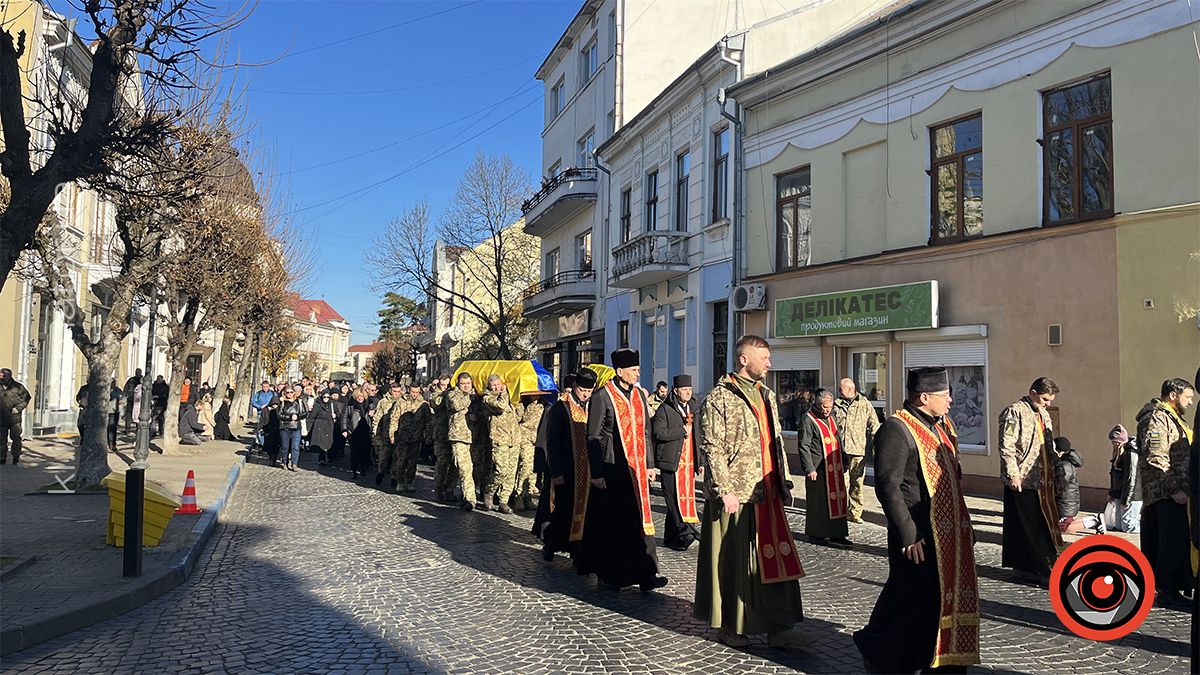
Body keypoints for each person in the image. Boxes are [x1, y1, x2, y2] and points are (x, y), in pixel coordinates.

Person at [854, 367, 979, 672]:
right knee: (911, 600)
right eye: (944, 394)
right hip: (918, 534)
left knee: (924, 601)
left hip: (946, 534)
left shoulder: (941, 427)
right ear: (924, 397)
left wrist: (966, 527)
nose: (950, 400)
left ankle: (926, 657)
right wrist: (908, 534)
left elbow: (951, 481)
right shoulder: (896, 429)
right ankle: (882, 654)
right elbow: (888, 486)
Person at [694, 335, 805, 649]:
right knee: (736, 564)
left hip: (766, 491)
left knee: (775, 563)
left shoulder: (767, 395)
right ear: (744, 359)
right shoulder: (720, 397)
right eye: (764, 357)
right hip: (736, 495)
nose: (770, 363)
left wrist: (783, 482)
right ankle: (733, 626)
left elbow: (775, 442)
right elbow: (712, 448)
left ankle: (778, 625)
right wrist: (723, 489)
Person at [577, 348, 667, 592]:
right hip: (612, 469)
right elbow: (593, 436)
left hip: (638, 470)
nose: (638, 373)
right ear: (620, 371)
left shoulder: (639, 395)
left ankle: (647, 573)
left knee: (642, 523)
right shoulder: (602, 396)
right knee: (616, 525)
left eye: (638, 369)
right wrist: (597, 473)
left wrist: (650, 465)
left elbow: (646, 432)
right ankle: (612, 574)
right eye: (634, 370)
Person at [999, 377, 1063, 583]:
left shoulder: (1044, 415)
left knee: (1044, 524)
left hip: (1044, 480)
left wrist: (1058, 472)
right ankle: (1038, 568)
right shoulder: (1014, 412)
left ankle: (1035, 565)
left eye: (1050, 400)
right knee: (1029, 525)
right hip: (1023, 478)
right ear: (1033, 393)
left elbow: (1050, 447)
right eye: (1045, 399)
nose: (1047, 403)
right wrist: (1012, 473)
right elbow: (1006, 445)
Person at [1137, 377, 1195, 608]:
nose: (1190, 403)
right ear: (1173, 395)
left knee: (1177, 542)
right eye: (1188, 397)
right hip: (1165, 494)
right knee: (1170, 544)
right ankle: (1167, 591)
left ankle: (1172, 588)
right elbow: (1156, 457)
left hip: (1177, 492)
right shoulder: (1156, 418)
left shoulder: (1173, 418)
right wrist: (1174, 489)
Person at [537, 369, 596, 561]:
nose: (586, 395)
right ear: (575, 388)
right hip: (567, 469)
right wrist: (556, 471)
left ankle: (578, 551)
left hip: (587, 471)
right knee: (564, 513)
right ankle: (551, 544)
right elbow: (553, 441)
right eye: (582, 390)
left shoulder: (593, 407)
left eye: (589, 391)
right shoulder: (560, 408)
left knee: (586, 514)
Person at [652, 374, 702, 551]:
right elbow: (658, 433)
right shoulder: (664, 409)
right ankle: (685, 531)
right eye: (684, 390)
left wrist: (700, 461)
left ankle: (671, 538)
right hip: (670, 462)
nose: (688, 393)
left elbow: (697, 436)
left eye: (690, 389)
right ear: (676, 391)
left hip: (687, 464)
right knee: (672, 500)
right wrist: (681, 431)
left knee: (683, 500)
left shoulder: (693, 408)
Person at [799, 389, 851, 547]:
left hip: (835, 466)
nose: (826, 410)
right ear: (817, 404)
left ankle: (838, 533)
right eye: (823, 407)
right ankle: (817, 533)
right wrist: (809, 468)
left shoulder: (833, 416)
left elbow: (838, 439)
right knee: (819, 504)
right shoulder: (808, 420)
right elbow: (804, 445)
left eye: (829, 407)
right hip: (818, 469)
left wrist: (845, 460)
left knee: (839, 500)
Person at [833, 378, 881, 524]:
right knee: (841, 483)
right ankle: (840, 511)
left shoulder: (864, 403)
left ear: (849, 389)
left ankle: (855, 513)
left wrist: (877, 445)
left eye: (841, 389)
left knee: (857, 483)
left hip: (858, 451)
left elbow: (874, 424)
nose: (839, 391)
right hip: (840, 451)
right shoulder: (836, 404)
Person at [482, 374, 522, 513]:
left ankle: (503, 501)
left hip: (514, 439)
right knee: (501, 470)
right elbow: (501, 407)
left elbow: (518, 416)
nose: (497, 387)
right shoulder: (488, 398)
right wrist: (504, 392)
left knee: (511, 472)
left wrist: (517, 403)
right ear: (489, 386)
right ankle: (489, 491)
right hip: (500, 439)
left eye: (499, 384)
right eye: (494, 385)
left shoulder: (508, 396)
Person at [1052, 436, 1103, 534]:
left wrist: (1051, 493)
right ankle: (1093, 520)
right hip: (1065, 503)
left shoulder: (1065, 465)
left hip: (1066, 504)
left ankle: (1093, 521)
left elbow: (1060, 484)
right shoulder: (1065, 463)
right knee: (1061, 525)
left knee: (1063, 529)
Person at [391, 384, 432, 494]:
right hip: (402, 436)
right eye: (413, 392)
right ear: (409, 391)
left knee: (412, 462)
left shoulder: (423, 405)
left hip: (416, 437)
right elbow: (394, 419)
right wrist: (392, 434)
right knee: (401, 459)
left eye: (417, 392)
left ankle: (409, 481)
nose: (414, 394)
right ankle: (400, 481)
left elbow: (428, 422)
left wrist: (428, 436)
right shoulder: (401, 402)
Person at [446, 373, 478, 510]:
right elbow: (457, 404)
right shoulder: (453, 394)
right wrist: (471, 396)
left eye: (468, 383)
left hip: (474, 436)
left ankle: (448, 488)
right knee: (465, 468)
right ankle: (470, 499)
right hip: (458, 436)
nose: (466, 386)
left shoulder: (477, 395)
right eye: (463, 384)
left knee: (456, 465)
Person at [1106, 424, 1142, 533]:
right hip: (1119, 493)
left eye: (1115, 442)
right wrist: (1112, 493)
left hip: (1131, 494)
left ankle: (1149, 529)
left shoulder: (1130, 453)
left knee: (1129, 527)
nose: (1113, 445)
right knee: (1119, 526)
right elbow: (1114, 475)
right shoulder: (1118, 454)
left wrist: (1126, 499)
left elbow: (1131, 477)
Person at [429, 375, 457, 503]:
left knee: (454, 464)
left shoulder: (454, 394)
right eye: (442, 385)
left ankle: (450, 489)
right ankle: (439, 487)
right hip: (441, 434)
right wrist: (447, 394)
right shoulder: (436, 395)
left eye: (447, 385)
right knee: (442, 463)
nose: (445, 387)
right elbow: (437, 403)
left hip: (454, 433)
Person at [515, 394, 545, 511]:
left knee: (533, 468)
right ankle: (519, 495)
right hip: (525, 437)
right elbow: (523, 418)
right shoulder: (524, 403)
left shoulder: (544, 404)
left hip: (537, 438)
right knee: (526, 465)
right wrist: (532, 404)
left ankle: (528, 496)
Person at [372, 383, 403, 488]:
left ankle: (394, 477)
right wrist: (375, 433)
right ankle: (381, 472)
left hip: (399, 434)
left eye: (399, 392)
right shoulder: (383, 402)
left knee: (397, 457)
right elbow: (377, 418)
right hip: (385, 434)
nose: (397, 394)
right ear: (390, 391)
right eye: (395, 392)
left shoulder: (403, 401)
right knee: (384, 456)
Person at [0, 368, 31, 465]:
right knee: (1, 439)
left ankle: (16, 456)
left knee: (16, 438)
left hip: (14, 418)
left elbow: (27, 398)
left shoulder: (17, 387)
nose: (2, 378)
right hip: (1, 417)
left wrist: (18, 408)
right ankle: (2, 457)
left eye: (3, 376)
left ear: (9, 376)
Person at [347, 388, 374, 478]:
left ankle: (363, 468)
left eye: (362, 396)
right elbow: (345, 417)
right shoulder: (350, 405)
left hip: (365, 431)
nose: (360, 398)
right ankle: (354, 471)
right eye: (358, 396)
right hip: (354, 432)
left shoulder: (369, 405)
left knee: (364, 452)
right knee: (354, 453)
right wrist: (345, 429)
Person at [276, 387, 304, 471]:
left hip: (296, 427)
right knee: (285, 447)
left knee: (295, 447)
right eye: (287, 392)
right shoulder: (282, 403)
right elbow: (279, 415)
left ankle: (294, 464)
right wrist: (290, 417)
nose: (289, 394)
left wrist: (298, 416)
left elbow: (304, 413)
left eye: (291, 392)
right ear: (284, 393)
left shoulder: (299, 402)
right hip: (285, 427)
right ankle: (284, 462)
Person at [309, 389, 339, 465]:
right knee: (321, 442)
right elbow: (312, 416)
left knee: (329, 441)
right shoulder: (318, 404)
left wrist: (335, 415)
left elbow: (338, 413)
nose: (326, 398)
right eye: (324, 397)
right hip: (320, 425)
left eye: (327, 397)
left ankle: (329, 456)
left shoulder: (332, 404)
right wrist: (308, 428)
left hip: (329, 424)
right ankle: (321, 458)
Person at [251, 381, 275, 447]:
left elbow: (276, 401)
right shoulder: (258, 393)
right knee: (260, 429)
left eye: (266, 387)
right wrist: (260, 406)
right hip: (260, 413)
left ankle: (268, 443)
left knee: (269, 429)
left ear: (269, 386)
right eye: (264, 387)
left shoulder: (272, 393)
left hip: (270, 413)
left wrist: (270, 406)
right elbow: (253, 402)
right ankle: (262, 444)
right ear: (262, 386)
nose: (265, 388)